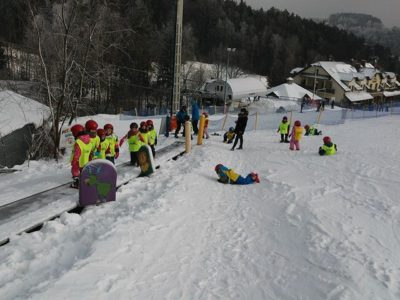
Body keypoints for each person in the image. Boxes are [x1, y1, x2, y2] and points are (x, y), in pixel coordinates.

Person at [70, 124, 92, 188]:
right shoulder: (89, 140)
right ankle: (87, 183)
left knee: (75, 171)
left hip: (78, 161)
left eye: (73, 133)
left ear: (76, 133)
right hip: (86, 161)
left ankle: (77, 183)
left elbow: (77, 153)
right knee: (85, 173)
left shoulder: (78, 142)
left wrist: (73, 161)